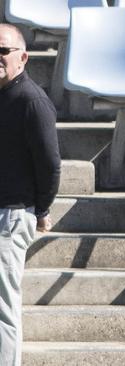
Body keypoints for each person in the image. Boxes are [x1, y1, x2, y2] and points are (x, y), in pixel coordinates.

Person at [0, 24, 60, 366]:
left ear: (22, 57)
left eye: (2, 51)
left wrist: (42, 209)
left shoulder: (32, 101)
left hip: (10, 216)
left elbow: (50, 165)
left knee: (3, 309)